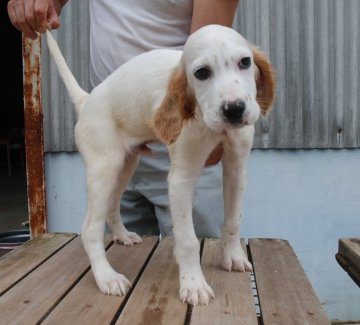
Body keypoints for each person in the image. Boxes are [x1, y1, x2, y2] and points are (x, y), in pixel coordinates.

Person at [7, 0, 239, 237]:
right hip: (113, 134)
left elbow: (208, 56)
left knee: (196, 263)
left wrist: (203, 145)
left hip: (180, 135)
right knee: (121, 261)